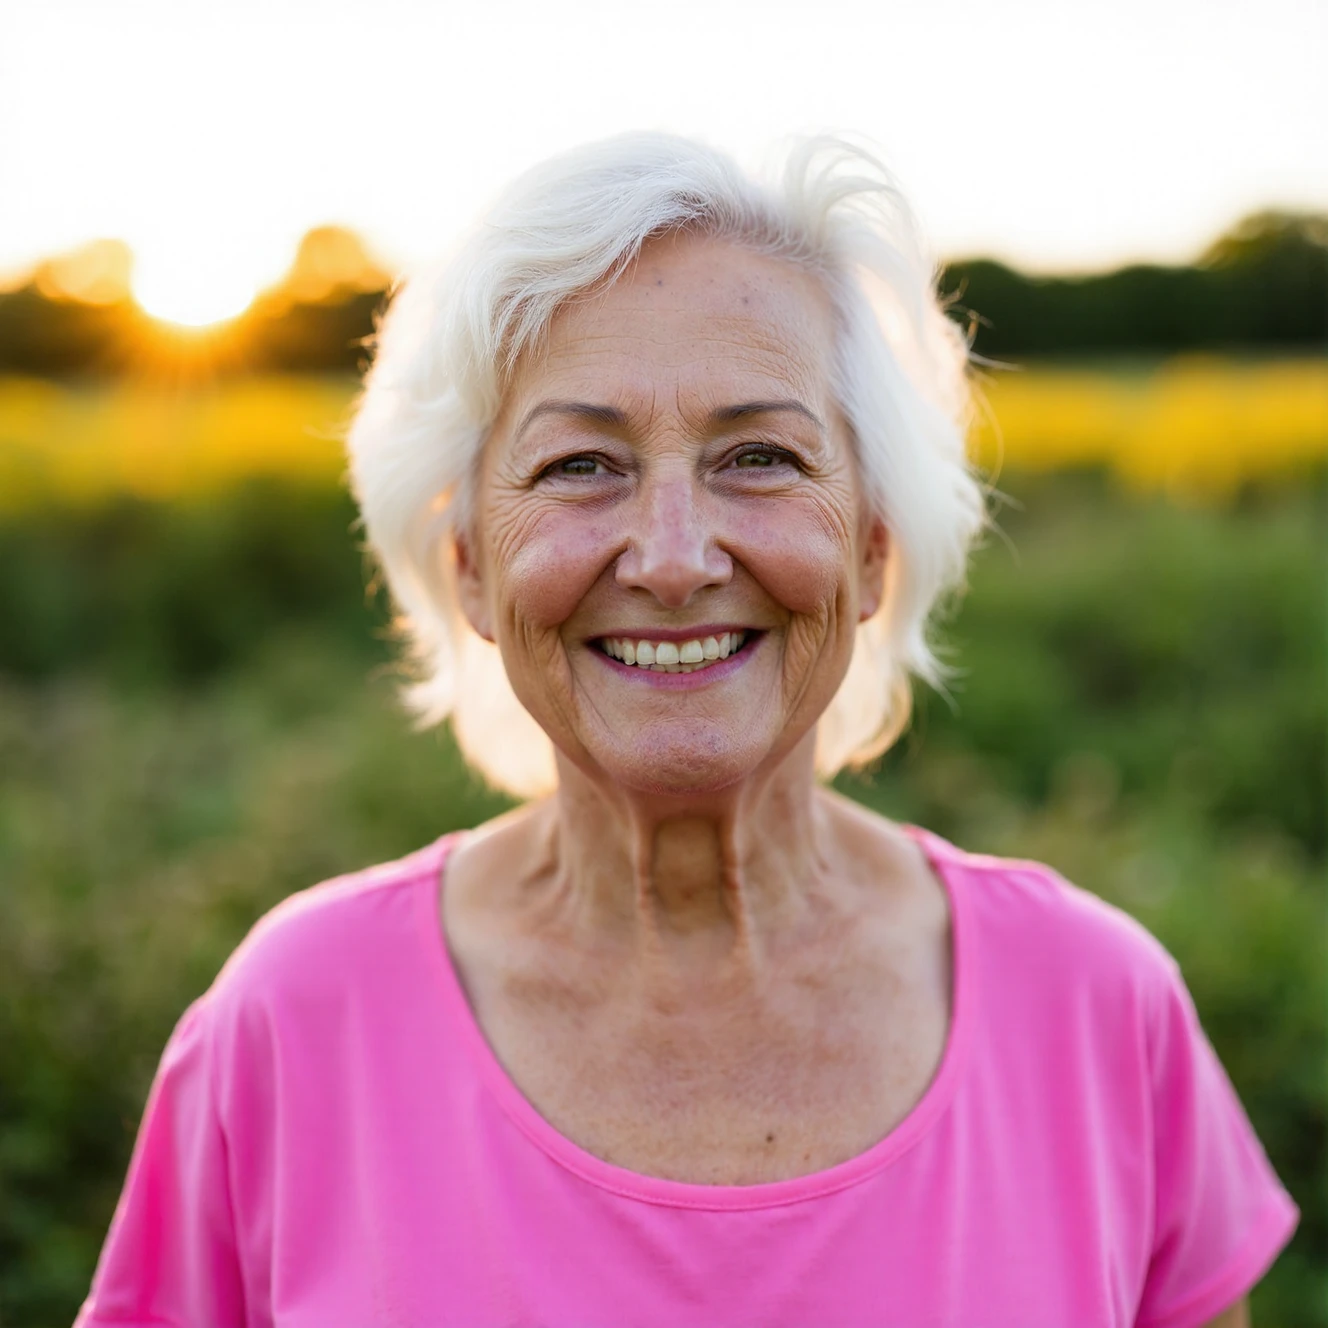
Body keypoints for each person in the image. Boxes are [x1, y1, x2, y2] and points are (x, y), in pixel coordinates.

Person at [76, 133, 1297, 1328]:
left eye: (758, 455)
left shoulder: (1093, 1006)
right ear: (471, 573)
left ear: (872, 549)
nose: (671, 557)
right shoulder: (295, 1020)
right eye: (579, 466)